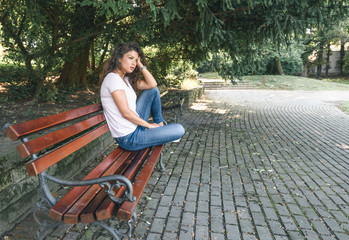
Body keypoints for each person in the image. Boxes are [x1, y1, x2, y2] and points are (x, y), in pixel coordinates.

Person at [100, 42, 185, 151]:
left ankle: (160, 124)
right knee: (179, 129)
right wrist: (149, 126)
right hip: (129, 137)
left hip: (135, 127)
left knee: (153, 91)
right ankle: (159, 129)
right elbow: (126, 113)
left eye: (136, 60)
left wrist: (140, 64)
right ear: (119, 58)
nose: (133, 63)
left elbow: (152, 85)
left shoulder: (125, 79)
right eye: (130, 58)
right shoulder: (113, 79)